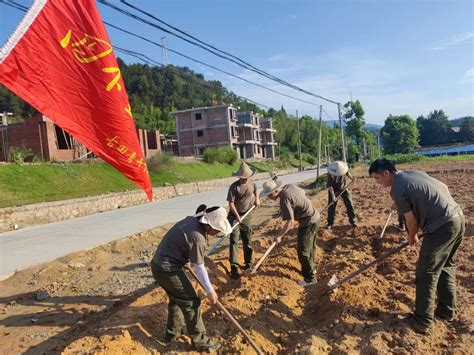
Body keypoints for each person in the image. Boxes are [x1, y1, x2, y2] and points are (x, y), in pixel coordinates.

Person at [369, 158, 465, 334]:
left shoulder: (397, 188)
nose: (378, 182)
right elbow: (443, 187)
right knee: (445, 267)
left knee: (425, 271)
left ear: (386, 173)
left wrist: (411, 237)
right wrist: (441, 209)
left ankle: (422, 320)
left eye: (377, 178)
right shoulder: (412, 173)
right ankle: (446, 311)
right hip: (457, 218)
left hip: (441, 228)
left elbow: (411, 221)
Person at [150, 205, 232, 351]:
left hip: (159, 265)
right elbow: (198, 267)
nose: (217, 233)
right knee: (191, 301)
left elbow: (185, 245)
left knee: (176, 300)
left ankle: (172, 334)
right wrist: (210, 290)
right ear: (210, 225)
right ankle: (200, 341)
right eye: (218, 230)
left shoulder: (191, 221)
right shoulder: (198, 238)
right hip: (168, 269)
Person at [260, 179, 320, 286]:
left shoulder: (284, 199)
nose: (268, 197)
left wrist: (279, 236)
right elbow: (303, 192)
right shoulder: (289, 186)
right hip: (315, 217)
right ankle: (312, 269)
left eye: (269, 195)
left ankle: (310, 279)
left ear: (275, 191)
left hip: (308, 221)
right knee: (310, 247)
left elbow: (290, 223)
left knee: (303, 251)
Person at [227, 162, 260, 279]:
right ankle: (234, 267)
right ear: (239, 177)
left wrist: (257, 199)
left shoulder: (252, 184)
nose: (245, 180)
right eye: (243, 178)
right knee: (234, 240)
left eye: (246, 178)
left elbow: (256, 191)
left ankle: (248, 263)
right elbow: (231, 203)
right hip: (234, 216)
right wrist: (237, 216)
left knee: (247, 239)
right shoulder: (234, 187)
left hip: (247, 215)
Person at [326, 160, 357, 230]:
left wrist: (352, 178)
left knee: (349, 203)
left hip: (343, 188)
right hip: (333, 190)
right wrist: (333, 196)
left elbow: (347, 173)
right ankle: (329, 223)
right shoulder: (331, 173)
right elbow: (330, 186)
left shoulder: (343, 170)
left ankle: (353, 220)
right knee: (331, 206)